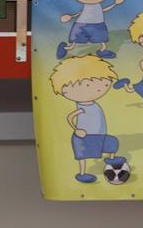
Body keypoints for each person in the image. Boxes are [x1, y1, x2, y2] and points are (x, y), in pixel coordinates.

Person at [50, 55, 125, 183]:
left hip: (99, 134)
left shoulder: (93, 104)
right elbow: (70, 117)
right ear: (65, 91)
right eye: (88, 85)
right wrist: (76, 129)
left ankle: (111, 159)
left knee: (112, 142)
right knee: (83, 156)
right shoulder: (82, 107)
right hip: (84, 136)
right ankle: (82, 174)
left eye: (104, 83)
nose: (99, 88)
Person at [57, 0, 124, 59]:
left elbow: (103, 10)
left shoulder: (98, 6)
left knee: (101, 41)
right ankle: (65, 48)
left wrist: (116, 3)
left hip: (98, 24)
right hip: (81, 25)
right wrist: (70, 17)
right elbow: (81, 13)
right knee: (74, 42)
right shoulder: (86, 7)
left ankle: (103, 51)